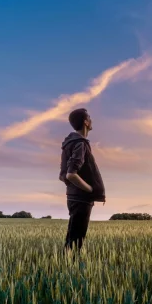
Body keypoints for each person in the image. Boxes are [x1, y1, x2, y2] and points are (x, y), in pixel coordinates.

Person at [59, 108, 106, 253]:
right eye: (89, 118)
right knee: (76, 240)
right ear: (86, 122)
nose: (91, 121)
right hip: (81, 198)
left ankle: (66, 267)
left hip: (73, 196)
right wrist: (90, 189)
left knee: (73, 237)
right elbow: (70, 174)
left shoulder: (69, 143)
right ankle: (69, 270)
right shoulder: (80, 143)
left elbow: (62, 175)